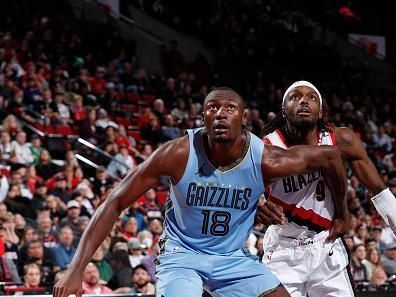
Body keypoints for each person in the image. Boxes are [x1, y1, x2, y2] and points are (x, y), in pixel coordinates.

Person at [53, 87, 347, 297]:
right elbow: (116, 202)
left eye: (230, 108)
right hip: (182, 256)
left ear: (243, 118)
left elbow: (332, 157)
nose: (220, 113)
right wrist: (76, 268)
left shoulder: (266, 158)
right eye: (212, 108)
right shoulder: (177, 153)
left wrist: (342, 215)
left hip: (232, 258)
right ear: (202, 117)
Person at [258, 80, 396, 296]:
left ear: (321, 111)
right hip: (284, 247)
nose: (303, 100)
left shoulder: (343, 140)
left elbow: (379, 191)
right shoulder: (265, 148)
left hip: (326, 245)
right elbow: (239, 187)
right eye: (295, 97)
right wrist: (257, 204)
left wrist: (343, 213)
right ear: (284, 110)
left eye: (311, 97)